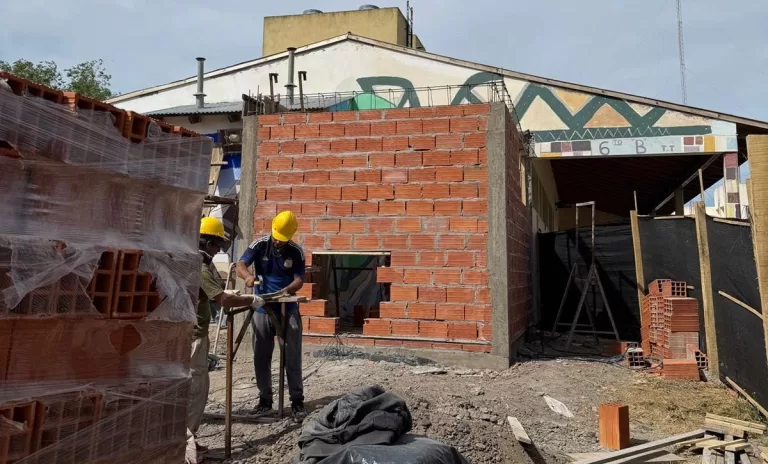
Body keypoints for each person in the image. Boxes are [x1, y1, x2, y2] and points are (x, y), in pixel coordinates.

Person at [189, 217, 265, 448]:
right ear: (206, 242)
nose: (218, 250)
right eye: (216, 245)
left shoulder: (198, 261)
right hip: (192, 339)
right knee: (195, 391)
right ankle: (185, 442)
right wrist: (249, 299)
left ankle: (188, 438)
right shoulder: (199, 266)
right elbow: (222, 300)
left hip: (193, 335)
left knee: (198, 389)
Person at [236, 210, 306, 418]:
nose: (277, 242)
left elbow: (300, 279)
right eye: (276, 237)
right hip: (262, 307)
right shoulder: (260, 245)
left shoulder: (296, 251)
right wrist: (248, 276)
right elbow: (241, 264)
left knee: (292, 355)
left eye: (281, 239)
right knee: (261, 355)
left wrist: (287, 290)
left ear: (290, 236)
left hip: (287, 307)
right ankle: (265, 399)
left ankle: (296, 401)